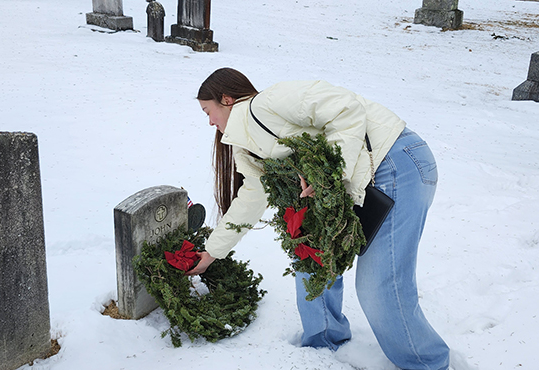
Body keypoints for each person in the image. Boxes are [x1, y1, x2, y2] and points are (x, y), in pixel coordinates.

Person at [187, 67, 449, 370]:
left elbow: (345, 108)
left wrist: (327, 174)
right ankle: (323, 339)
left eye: (208, 111)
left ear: (227, 99)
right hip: (359, 179)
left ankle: (427, 364)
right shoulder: (245, 148)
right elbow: (251, 197)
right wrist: (212, 251)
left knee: (379, 285)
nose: (209, 121)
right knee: (311, 258)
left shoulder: (270, 101)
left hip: (395, 160)